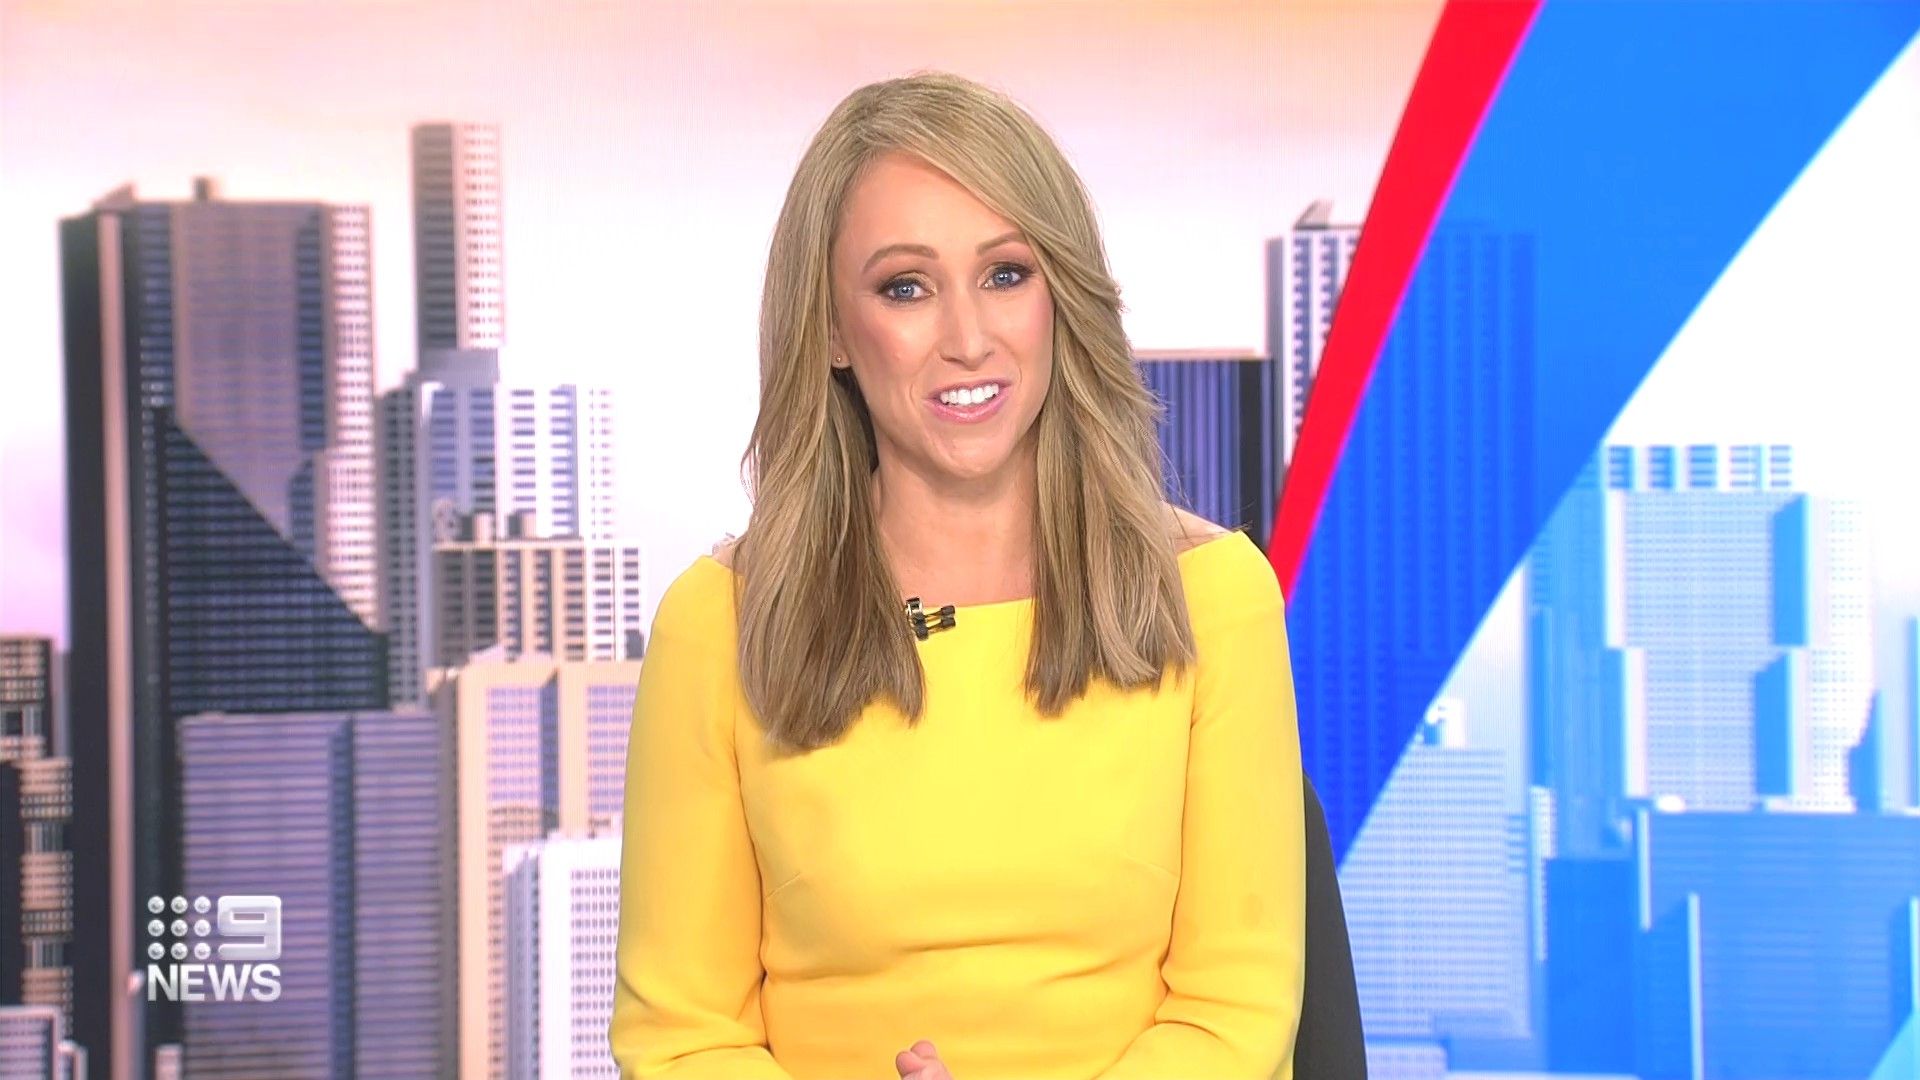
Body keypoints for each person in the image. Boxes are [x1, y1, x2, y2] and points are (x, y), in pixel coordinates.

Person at [609, 70, 1305, 1080]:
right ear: (832, 329)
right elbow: (681, 1037)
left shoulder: (1215, 598)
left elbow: (1234, 1014)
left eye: (1007, 274)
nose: (968, 340)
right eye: (906, 287)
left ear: (1061, 297)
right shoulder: (720, 623)